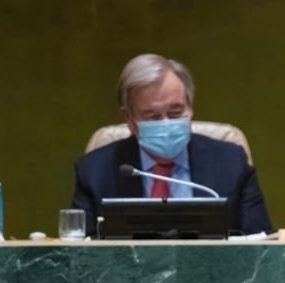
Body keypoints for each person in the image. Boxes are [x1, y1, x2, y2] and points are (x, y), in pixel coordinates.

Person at [71, 53, 273, 236]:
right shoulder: (95, 171)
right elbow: (79, 251)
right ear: (130, 120)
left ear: (190, 108)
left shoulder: (231, 163)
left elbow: (261, 244)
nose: (166, 123)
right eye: (152, 116)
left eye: (176, 113)